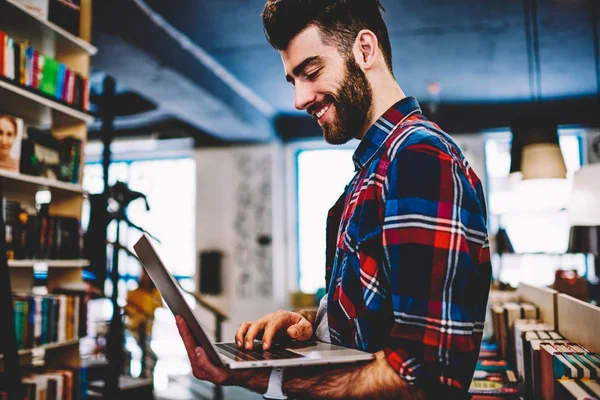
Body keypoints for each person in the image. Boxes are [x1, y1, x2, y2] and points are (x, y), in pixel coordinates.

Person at [175, 0, 491, 398]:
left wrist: (271, 379)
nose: (299, 99)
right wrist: (309, 323)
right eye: (293, 80)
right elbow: (370, 323)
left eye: (311, 72)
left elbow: (423, 376)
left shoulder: (419, 157)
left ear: (364, 49)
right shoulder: (373, 169)